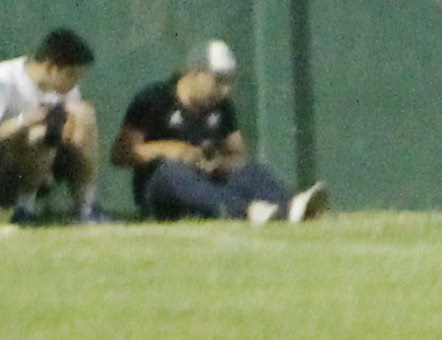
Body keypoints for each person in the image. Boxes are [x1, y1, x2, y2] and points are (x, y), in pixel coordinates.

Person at [112, 40, 324, 223]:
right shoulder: (153, 100)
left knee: (246, 170)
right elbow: (121, 153)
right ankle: (244, 210)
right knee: (170, 172)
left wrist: (219, 163)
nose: (225, 90)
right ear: (194, 73)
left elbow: (238, 153)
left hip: (208, 178)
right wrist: (169, 150)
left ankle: (290, 205)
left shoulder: (222, 107)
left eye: (229, 82)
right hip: (161, 188)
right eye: (218, 81)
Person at [0, 27, 106, 222]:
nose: (75, 83)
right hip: (7, 168)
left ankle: (86, 207)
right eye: (71, 75)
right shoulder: (5, 79)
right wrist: (23, 121)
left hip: (46, 165)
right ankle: (25, 208)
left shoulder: (64, 91)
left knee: (84, 114)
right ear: (50, 67)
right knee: (38, 133)